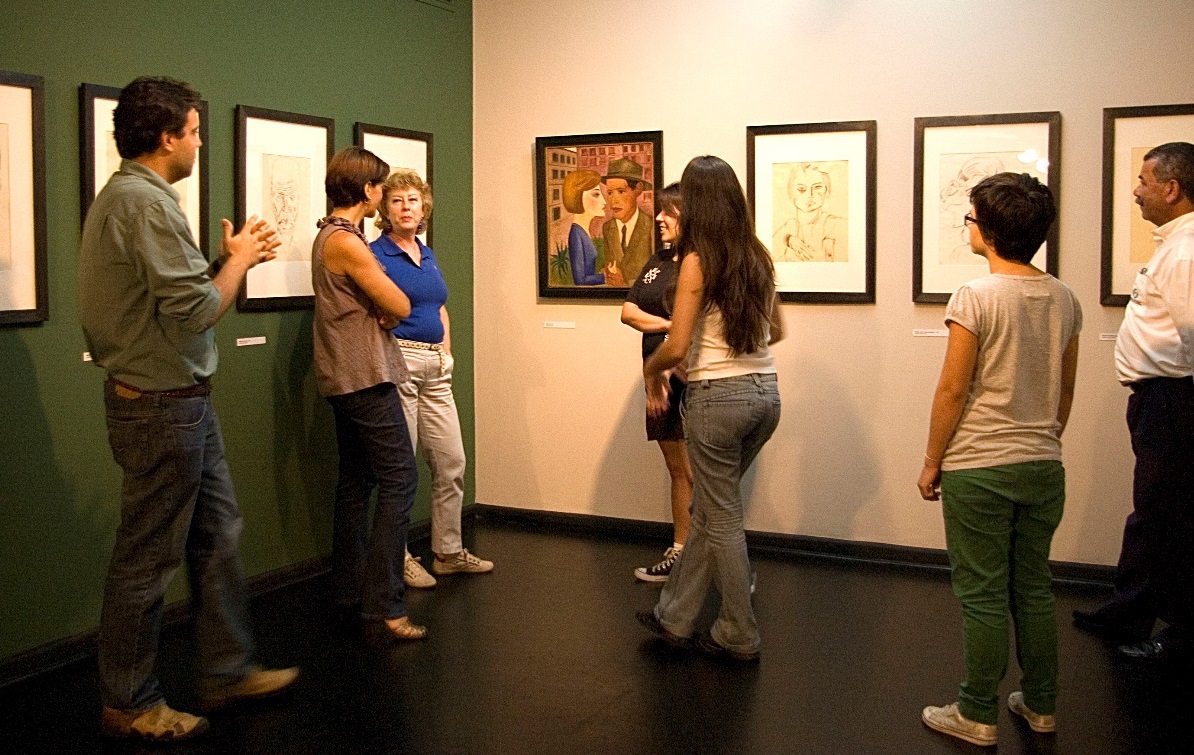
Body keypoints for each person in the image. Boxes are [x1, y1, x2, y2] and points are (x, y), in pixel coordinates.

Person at [78, 76, 298, 742]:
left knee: (219, 532)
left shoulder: (135, 198)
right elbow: (199, 308)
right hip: (161, 408)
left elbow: (170, 298)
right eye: (197, 131)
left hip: (179, 403)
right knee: (147, 557)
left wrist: (221, 262)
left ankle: (228, 668)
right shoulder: (143, 203)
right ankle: (129, 698)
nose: (200, 142)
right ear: (169, 135)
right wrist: (238, 260)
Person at [916, 173, 1080, 747]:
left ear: (987, 231)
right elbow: (1064, 389)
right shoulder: (1063, 297)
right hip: (1043, 463)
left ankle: (977, 712)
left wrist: (933, 459)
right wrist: (1043, 439)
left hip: (980, 466)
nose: (967, 226)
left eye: (969, 218)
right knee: (1033, 587)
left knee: (982, 593)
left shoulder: (975, 296)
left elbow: (952, 391)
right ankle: (1040, 706)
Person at [635, 155, 784, 662]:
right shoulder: (756, 255)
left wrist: (651, 371)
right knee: (709, 510)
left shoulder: (700, 258)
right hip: (766, 393)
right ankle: (674, 615)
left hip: (718, 400)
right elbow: (777, 331)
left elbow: (675, 346)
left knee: (721, 520)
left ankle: (738, 632)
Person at [1072, 142, 1194, 662]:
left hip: (1175, 401)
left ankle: (1178, 630)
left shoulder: (1187, 251)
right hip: (1160, 399)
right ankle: (1129, 611)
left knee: (1171, 515)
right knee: (1154, 511)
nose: (1138, 191)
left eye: (1145, 181)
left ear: (1172, 188)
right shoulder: (1175, 244)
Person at [312, 148, 425, 641]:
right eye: (380, 187)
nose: (383, 195)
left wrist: (384, 307)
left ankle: (349, 590)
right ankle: (384, 605)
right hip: (363, 376)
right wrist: (390, 307)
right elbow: (400, 302)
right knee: (401, 477)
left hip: (348, 375)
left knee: (357, 481)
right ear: (366, 192)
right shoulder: (347, 242)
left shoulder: (333, 236)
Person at [370, 169, 493, 588]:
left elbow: (439, 306)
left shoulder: (428, 253)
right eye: (397, 201)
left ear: (425, 206)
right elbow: (368, 310)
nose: (406, 207)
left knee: (451, 461)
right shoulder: (375, 254)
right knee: (402, 467)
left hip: (435, 368)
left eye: (413, 200)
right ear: (384, 209)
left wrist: (448, 350)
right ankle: (398, 557)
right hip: (399, 363)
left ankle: (448, 551)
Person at [621, 181, 692, 581]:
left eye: (668, 212)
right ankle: (679, 550)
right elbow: (628, 311)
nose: (659, 218)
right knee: (676, 469)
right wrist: (670, 325)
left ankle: (705, 557)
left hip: (688, 378)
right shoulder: (658, 260)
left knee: (698, 471)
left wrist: (677, 337)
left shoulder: (700, 263)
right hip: (658, 381)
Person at [771, 163, 846, 262]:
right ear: (791, 192)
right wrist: (788, 240)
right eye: (801, 189)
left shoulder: (837, 225)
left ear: (826, 190)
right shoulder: (788, 227)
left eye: (817, 187)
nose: (810, 195)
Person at [601, 157, 654, 286]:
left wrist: (625, 284)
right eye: (609, 193)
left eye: (621, 191)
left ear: (638, 189)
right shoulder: (607, 228)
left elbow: (656, 277)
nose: (614, 201)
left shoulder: (651, 226)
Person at [561, 168, 610, 285]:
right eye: (596, 194)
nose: (604, 201)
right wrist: (606, 277)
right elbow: (580, 280)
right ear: (578, 197)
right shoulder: (576, 234)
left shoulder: (582, 231)